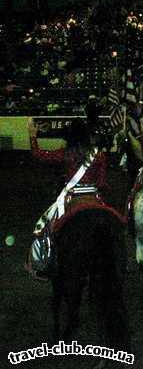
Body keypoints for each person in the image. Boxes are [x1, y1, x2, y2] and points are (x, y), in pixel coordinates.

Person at [25, 118, 109, 280]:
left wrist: (32, 136)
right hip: (93, 196)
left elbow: (39, 155)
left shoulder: (66, 153)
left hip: (71, 197)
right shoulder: (99, 155)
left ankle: (44, 262)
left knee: (44, 225)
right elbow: (102, 184)